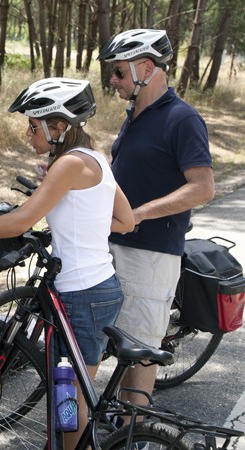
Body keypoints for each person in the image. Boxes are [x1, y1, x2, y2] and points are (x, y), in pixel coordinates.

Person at [0, 77, 135, 448]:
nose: (27, 133)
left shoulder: (68, 165)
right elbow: (125, 221)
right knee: (70, 394)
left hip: (82, 295)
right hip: (97, 289)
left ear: (60, 126)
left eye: (34, 126)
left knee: (71, 400)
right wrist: (72, 214)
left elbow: (20, 221)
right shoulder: (95, 157)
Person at [97, 29, 215, 411]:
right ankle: (117, 419)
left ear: (146, 68)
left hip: (151, 252)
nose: (112, 81)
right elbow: (125, 172)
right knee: (120, 343)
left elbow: (202, 188)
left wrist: (140, 213)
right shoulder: (135, 114)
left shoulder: (182, 119)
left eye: (118, 72)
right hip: (117, 243)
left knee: (141, 350)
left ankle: (135, 428)